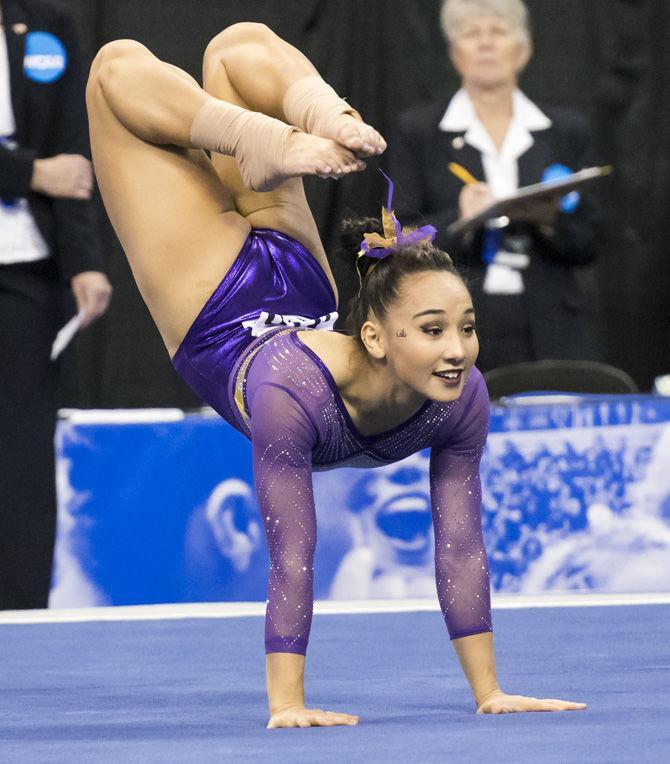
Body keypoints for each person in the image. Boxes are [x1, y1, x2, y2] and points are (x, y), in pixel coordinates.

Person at [86, 21, 586, 728]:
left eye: (467, 328)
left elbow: (462, 546)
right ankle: (301, 124)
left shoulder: (460, 399)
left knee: (207, 49)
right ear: (377, 337)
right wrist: (287, 703)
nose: (458, 351)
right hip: (221, 301)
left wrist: (490, 691)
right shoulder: (293, 397)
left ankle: (311, 121)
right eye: (434, 331)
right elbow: (292, 556)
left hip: (276, 308)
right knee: (123, 66)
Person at [389, 0, 602, 372]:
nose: (486, 43)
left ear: (523, 50)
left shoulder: (566, 130)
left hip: (555, 328)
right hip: (453, 329)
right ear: (455, 54)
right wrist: (462, 216)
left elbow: (590, 243)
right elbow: (399, 240)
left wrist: (549, 219)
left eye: (499, 32)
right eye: (472, 34)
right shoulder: (419, 132)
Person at [0, 0, 112, 609]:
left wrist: (85, 260)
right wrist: (27, 173)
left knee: (21, 451)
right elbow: (47, 170)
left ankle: (18, 614)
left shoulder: (47, 25)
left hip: (27, 269)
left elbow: (71, 157)